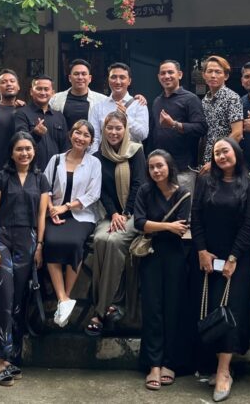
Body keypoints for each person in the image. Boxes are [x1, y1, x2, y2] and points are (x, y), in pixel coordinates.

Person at [192, 137, 250, 402]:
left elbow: (249, 225)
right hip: (207, 258)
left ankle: (223, 372)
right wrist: (201, 250)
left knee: (231, 311)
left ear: (237, 153)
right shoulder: (205, 181)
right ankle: (212, 364)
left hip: (236, 259)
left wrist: (233, 258)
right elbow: (196, 217)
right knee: (210, 309)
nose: (221, 156)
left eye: (225, 151)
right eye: (217, 153)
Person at [0, 132, 50, 386]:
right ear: (11, 153)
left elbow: (42, 216)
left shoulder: (40, 179)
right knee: (3, 295)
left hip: (28, 240)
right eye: (19, 149)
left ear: (34, 151)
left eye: (28, 149)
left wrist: (40, 246)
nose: (24, 153)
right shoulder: (0, 177)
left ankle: (12, 357)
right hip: (2, 238)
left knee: (19, 301)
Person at [133, 149, 190, 391]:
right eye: (152, 167)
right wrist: (167, 226)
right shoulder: (145, 191)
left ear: (169, 166)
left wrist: (155, 226)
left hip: (176, 255)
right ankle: (153, 364)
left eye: (160, 166)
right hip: (151, 255)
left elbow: (182, 227)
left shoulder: (183, 193)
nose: (156, 170)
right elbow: (139, 223)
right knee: (152, 308)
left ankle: (170, 362)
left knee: (173, 308)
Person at [86, 111, 146, 336]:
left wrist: (126, 212)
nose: (113, 132)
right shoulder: (98, 156)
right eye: (109, 128)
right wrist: (114, 214)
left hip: (134, 213)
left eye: (118, 128)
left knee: (114, 241)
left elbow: (139, 184)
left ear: (125, 129)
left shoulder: (136, 151)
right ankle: (108, 303)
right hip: (110, 214)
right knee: (100, 239)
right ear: (103, 130)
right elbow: (101, 190)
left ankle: (100, 310)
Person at [43, 120, 101, 327]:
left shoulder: (94, 163)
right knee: (50, 241)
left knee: (75, 243)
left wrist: (66, 207)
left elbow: (93, 194)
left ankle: (65, 297)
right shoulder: (56, 159)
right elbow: (45, 188)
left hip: (81, 215)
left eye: (86, 135)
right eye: (78, 132)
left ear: (91, 141)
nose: (81, 138)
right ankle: (64, 299)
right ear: (70, 135)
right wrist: (51, 208)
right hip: (54, 213)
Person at [147, 60, 207, 193]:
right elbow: (153, 134)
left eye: (170, 72)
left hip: (183, 169)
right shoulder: (157, 101)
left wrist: (174, 124)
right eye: (163, 73)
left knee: (183, 205)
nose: (166, 76)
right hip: (160, 170)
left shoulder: (191, 99)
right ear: (158, 77)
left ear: (179, 74)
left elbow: (201, 128)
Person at [89, 62, 149, 153]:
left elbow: (143, 135)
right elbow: (94, 138)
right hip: (105, 156)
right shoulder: (98, 107)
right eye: (113, 77)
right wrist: (95, 159)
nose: (117, 81)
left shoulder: (139, 104)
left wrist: (126, 118)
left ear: (129, 81)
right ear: (108, 80)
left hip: (131, 156)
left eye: (122, 77)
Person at [15, 74, 69, 169]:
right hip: (30, 170)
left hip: (55, 170)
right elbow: (20, 142)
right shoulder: (22, 113)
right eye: (39, 89)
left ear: (52, 93)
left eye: (46, 89)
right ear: (31, 91)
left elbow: (65, 146)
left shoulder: (59, 116)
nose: (43, 92)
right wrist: (35, 133)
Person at [200, 55, 243, 169]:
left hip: (226, 160)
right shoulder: (205, 100)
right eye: (210, 71)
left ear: (226, 76)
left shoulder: (232, 98)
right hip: (208, 158)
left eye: (218, 72)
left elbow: (237, 133)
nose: (213, 75)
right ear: (204, 75)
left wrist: (215, 160)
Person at [49, 58, 105, 129]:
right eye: (76, 74)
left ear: (90, 78)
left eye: (84, 74)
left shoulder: (101, 100)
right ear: (69, 78)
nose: (80, 77)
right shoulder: (55, 99)